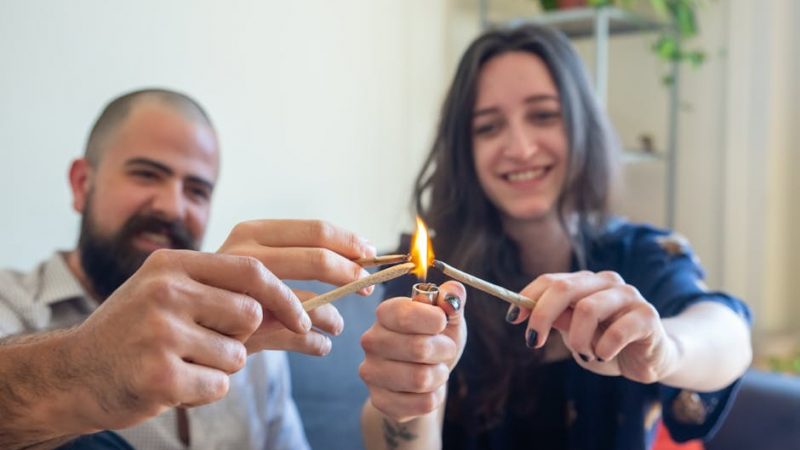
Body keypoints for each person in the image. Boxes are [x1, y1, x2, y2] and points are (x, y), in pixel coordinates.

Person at [359, 24, 752, 450]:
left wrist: (663, 350)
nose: (522, 148)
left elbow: (728, 335)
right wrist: (410, 399)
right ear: (464, 150)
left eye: (543, 115)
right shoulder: (425, 282)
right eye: (489, 127)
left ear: (580, 124)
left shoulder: (639, 253)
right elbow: (391, 434)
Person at [0, 88, 377, 450]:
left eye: (196, 190)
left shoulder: (254, 329)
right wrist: (84, 368)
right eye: (146, 174)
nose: (172, 207)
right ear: (83, 184)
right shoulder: (10, 302)